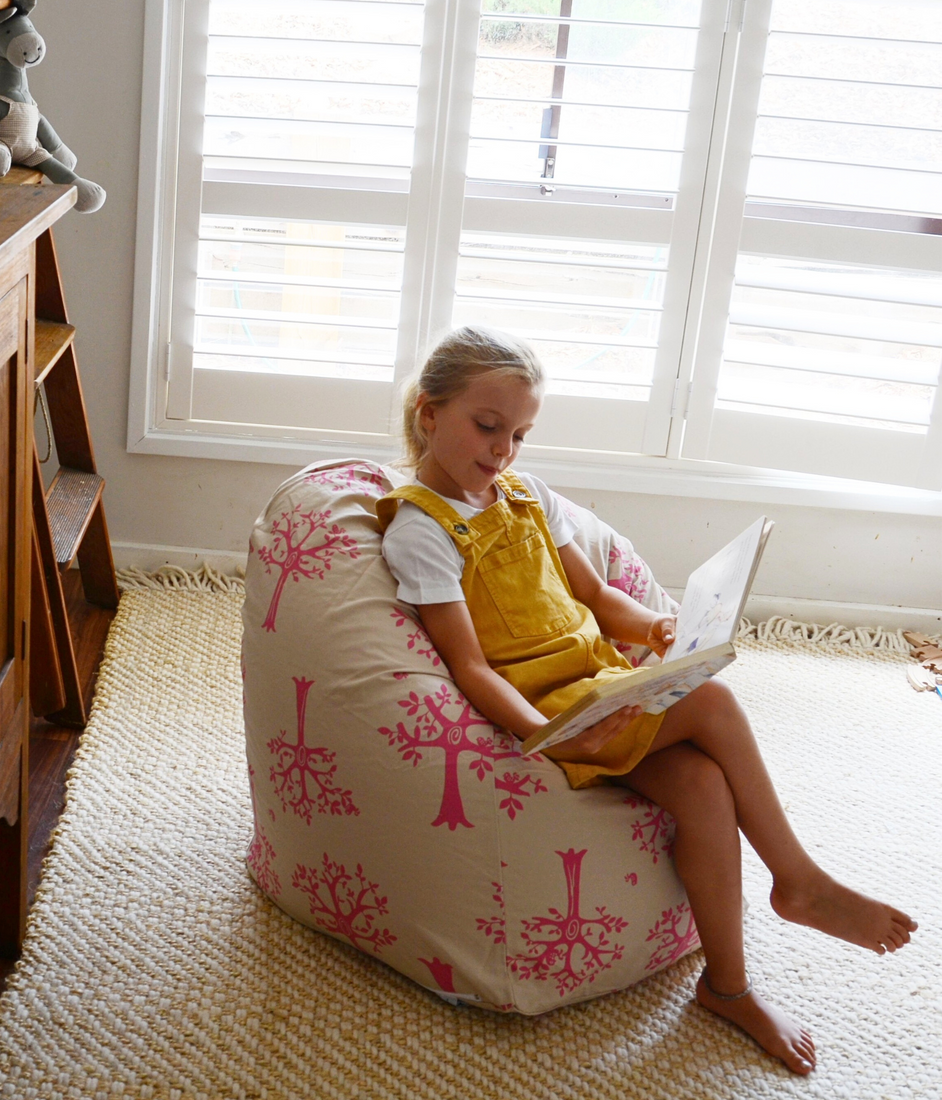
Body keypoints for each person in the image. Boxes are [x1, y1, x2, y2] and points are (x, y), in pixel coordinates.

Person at [376, 325, 916, 1076]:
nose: (502, 451)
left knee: (701, 785)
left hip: (601, 685)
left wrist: (660, 627)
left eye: (520, 434)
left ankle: (727, 988)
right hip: (552, 714)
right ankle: (796, 880)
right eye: (487, 426)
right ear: (430, 414)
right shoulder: (421, 530)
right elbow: (470, 668)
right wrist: (550, 733)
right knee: (716, 705)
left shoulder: (529, 497)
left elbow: (596, 597)